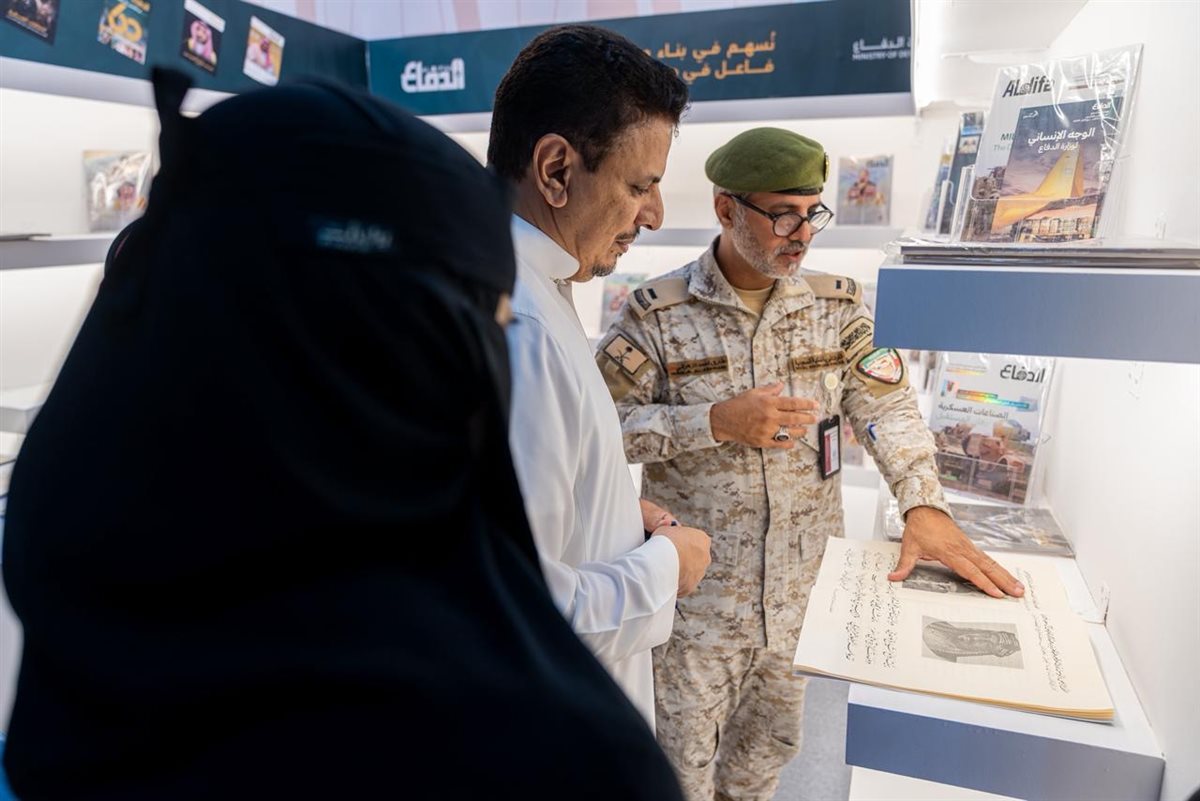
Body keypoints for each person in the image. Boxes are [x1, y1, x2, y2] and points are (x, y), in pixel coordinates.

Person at [1, 67, 685, 801]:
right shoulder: (551, 749)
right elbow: (537, 596)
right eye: (480, 333)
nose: (653, 212)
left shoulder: (83, 657)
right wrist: (663, 567)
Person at [598, 127, 1025, 801]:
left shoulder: (837, 306)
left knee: (765, 758)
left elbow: (887, 406)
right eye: (782, 214)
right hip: (697, 607)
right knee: (678, 766)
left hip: (800, 598)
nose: (801, 234)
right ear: (726, 209)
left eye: (812, 212)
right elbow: (601, 432)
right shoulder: (656, 314)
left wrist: (922, 502)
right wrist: (712, 421)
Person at [488, 25, 712, 726]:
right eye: (640, 185)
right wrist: (668, 566)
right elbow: (520, 617)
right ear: (556, 170)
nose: (655, 215)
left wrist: (611, 513)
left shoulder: (533, 285)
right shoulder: (522, 328)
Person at [923, 621, 1021, 662]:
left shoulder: (946, 660)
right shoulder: (940, 624)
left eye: (987, 644)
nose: (976, 638)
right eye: (987, 635)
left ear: (983, 651)